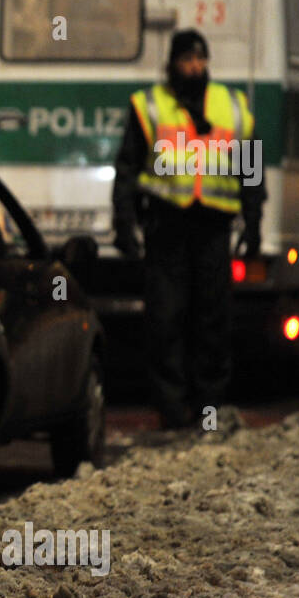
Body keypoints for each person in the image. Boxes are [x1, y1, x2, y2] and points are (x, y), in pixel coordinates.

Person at [112, 29, 263, 429]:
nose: (195, 66)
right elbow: (127, 168)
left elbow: (251, 167)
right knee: (166, 318)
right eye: (187, 59)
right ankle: (172, 409)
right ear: (173, 64)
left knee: (212, 320)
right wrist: (123, 223)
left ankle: (208, 406)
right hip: (167, 226)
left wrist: (254, 223)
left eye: (200, 59)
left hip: (214, 227)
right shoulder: (150, 106)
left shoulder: (233, 106)